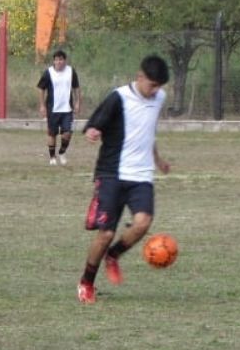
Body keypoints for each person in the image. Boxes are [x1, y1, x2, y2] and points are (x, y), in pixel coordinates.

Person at [77, 54, 171, 304]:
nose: (155, 91)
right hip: (112, 173)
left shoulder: (159, 97)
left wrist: (158, 160)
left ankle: (114, 256)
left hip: (141, 175)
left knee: (143, 223)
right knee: (105, 234)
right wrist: (93, 131)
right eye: (152, 85)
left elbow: (147, 131)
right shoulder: (118, 98)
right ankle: (86, 282)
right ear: (140, 77)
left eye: (159, 86)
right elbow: (93, 124)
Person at [37, 50, 81, 166]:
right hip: (53, 109)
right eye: (56, 59)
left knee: (67, 133)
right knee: (52, 134)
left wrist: (77, 103)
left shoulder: (71, 71)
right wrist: (42, 105)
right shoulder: (48, 73)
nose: (59, 62)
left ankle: (62, 152)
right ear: (54, 61)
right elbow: (41, 88)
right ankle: (52, 157)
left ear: (65, 61)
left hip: (67, 109)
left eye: (61, 59)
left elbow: (76, 88)